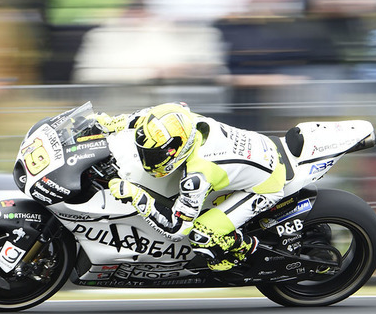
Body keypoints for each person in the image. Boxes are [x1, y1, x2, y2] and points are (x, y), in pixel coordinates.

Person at [94, 102, 286, 271]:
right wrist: (111, 123)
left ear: (177, 150)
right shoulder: (179, 117)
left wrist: (137, 196)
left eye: (155, 156)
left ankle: (241, 248)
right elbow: (143, 119)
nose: (149, 161)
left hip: (266, 184)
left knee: (202, 235)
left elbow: (176, 230)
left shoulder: (198, 175)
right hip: (261, 150)